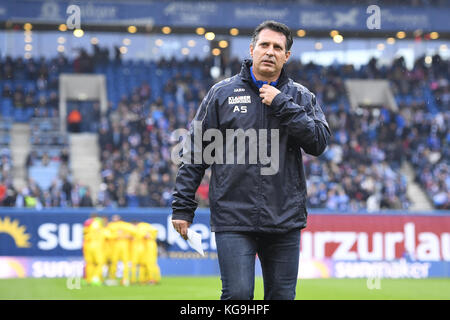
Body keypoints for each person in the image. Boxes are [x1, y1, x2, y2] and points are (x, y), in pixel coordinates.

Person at [172, 20, 330, 300]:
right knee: (238, 296)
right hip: (234, 217)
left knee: (281, 296)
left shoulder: (300, 96)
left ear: (286, 56)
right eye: (264, 45)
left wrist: (281, 103)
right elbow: (196, 152)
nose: (270, 51)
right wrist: (182, 207)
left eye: (277, 47)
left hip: (284, 219)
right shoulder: (221, 94)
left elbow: (318, 142)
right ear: (252, 49)